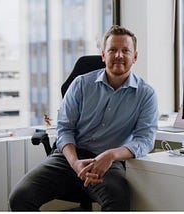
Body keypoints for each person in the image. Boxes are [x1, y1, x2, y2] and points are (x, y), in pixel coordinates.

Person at [9, 25, 158, 211]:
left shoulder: (146, 94)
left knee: (118, 202)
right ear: (103, 55)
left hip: (108, 163)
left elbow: (145, 139)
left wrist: (111, 155)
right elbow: (65, 129)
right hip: (68, 159)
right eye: (112, 50)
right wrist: (75, 163)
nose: (119, 55)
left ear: (134, 57)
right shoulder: (81, 85)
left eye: (125, 51)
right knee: (20, 198)